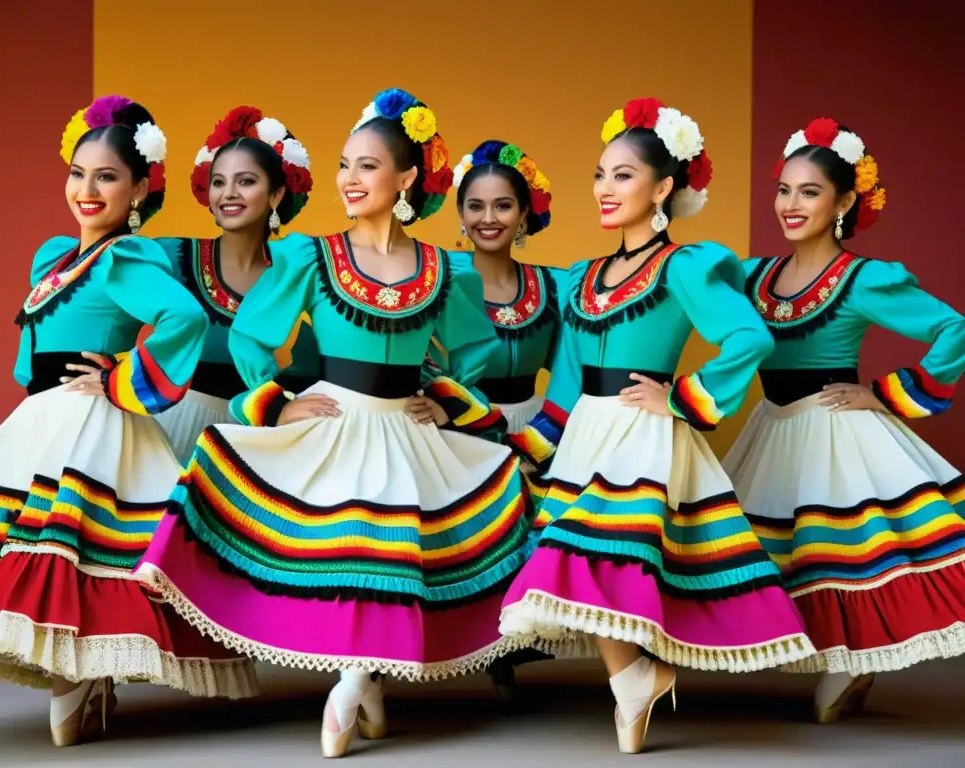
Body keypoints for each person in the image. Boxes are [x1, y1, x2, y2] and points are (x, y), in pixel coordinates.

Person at [136, 88, 533, 758]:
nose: (350, 178)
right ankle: (359, 683)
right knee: (345, 556)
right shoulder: (312, 257)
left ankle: (357, 685)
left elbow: (478, 349)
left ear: (406, 178)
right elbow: (251, 342)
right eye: (345, 164)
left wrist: (444, 401)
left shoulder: (441, 268)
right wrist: (278, 404)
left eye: (368, 166)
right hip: (336, 422)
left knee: (389, 563)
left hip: (403, 430)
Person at [499, 97, 815, 754]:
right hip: (587, 431)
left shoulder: (684, 267)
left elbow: (747, 338)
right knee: (573, 560)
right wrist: (529, 446)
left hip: (643, 435)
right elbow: (563, 382)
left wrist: (680, 398)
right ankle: (637, 676)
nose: (605, 189)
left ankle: (638, 677)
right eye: (600, 174)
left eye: (623, 175)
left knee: (596, 554)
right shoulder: (581, 278)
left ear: (664, 187)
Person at [0, 96, 257, 747]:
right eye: (78, 174)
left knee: (78, 553)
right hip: (46, 418)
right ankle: (80, 682)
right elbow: (33, 354)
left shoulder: (127, 258)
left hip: (93, 420)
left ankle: (81, 681)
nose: (87, 190)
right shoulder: (55, 256)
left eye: (107, 177)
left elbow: (185, 320)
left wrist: (119, 380)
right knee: (46, 550)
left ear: (140, 188)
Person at [723, 117, 965, 723]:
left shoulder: (861, 279)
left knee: (842, 548)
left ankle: (852, 658)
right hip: (772, 426)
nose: (790, 203)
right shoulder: (753, 277)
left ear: (844, 201)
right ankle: (833, 657)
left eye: (808, 191)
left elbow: (952, 328)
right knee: (778, 550)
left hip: (833, 428)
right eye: (783, 189)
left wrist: (888, 394)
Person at [440, 140, 560, 699]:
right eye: (476, 206)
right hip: (457, 423)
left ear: (524, 213)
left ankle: (512, 647)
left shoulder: (555, 286)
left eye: (503, 205)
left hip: (535, 423)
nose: (488, 218)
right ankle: (460, 644)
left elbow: (572, 369)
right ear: (460, 214)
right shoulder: (436, 277)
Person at [153, 105, 318, 461]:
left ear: (275, 195)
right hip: (175, 432)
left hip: (259, 437)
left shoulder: (298, 272)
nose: (228, 193)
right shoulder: (172, 258)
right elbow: (103, 301)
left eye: (245, 181)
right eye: (219, 182)